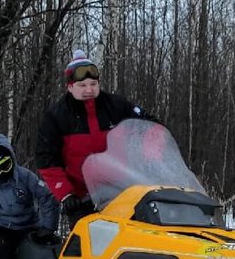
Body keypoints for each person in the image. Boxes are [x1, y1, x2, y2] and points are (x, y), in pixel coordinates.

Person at [35, 49, 155, 227]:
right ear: (70, 86)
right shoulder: (56, 117)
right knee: (89, 246)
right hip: (82, 199)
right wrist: (66, 194)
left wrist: (152, 151)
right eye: (82, 86)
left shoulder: (116, 106)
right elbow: (46, 160)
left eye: (93, 84)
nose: (89, 90)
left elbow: (150, 126)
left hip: (122, 192)